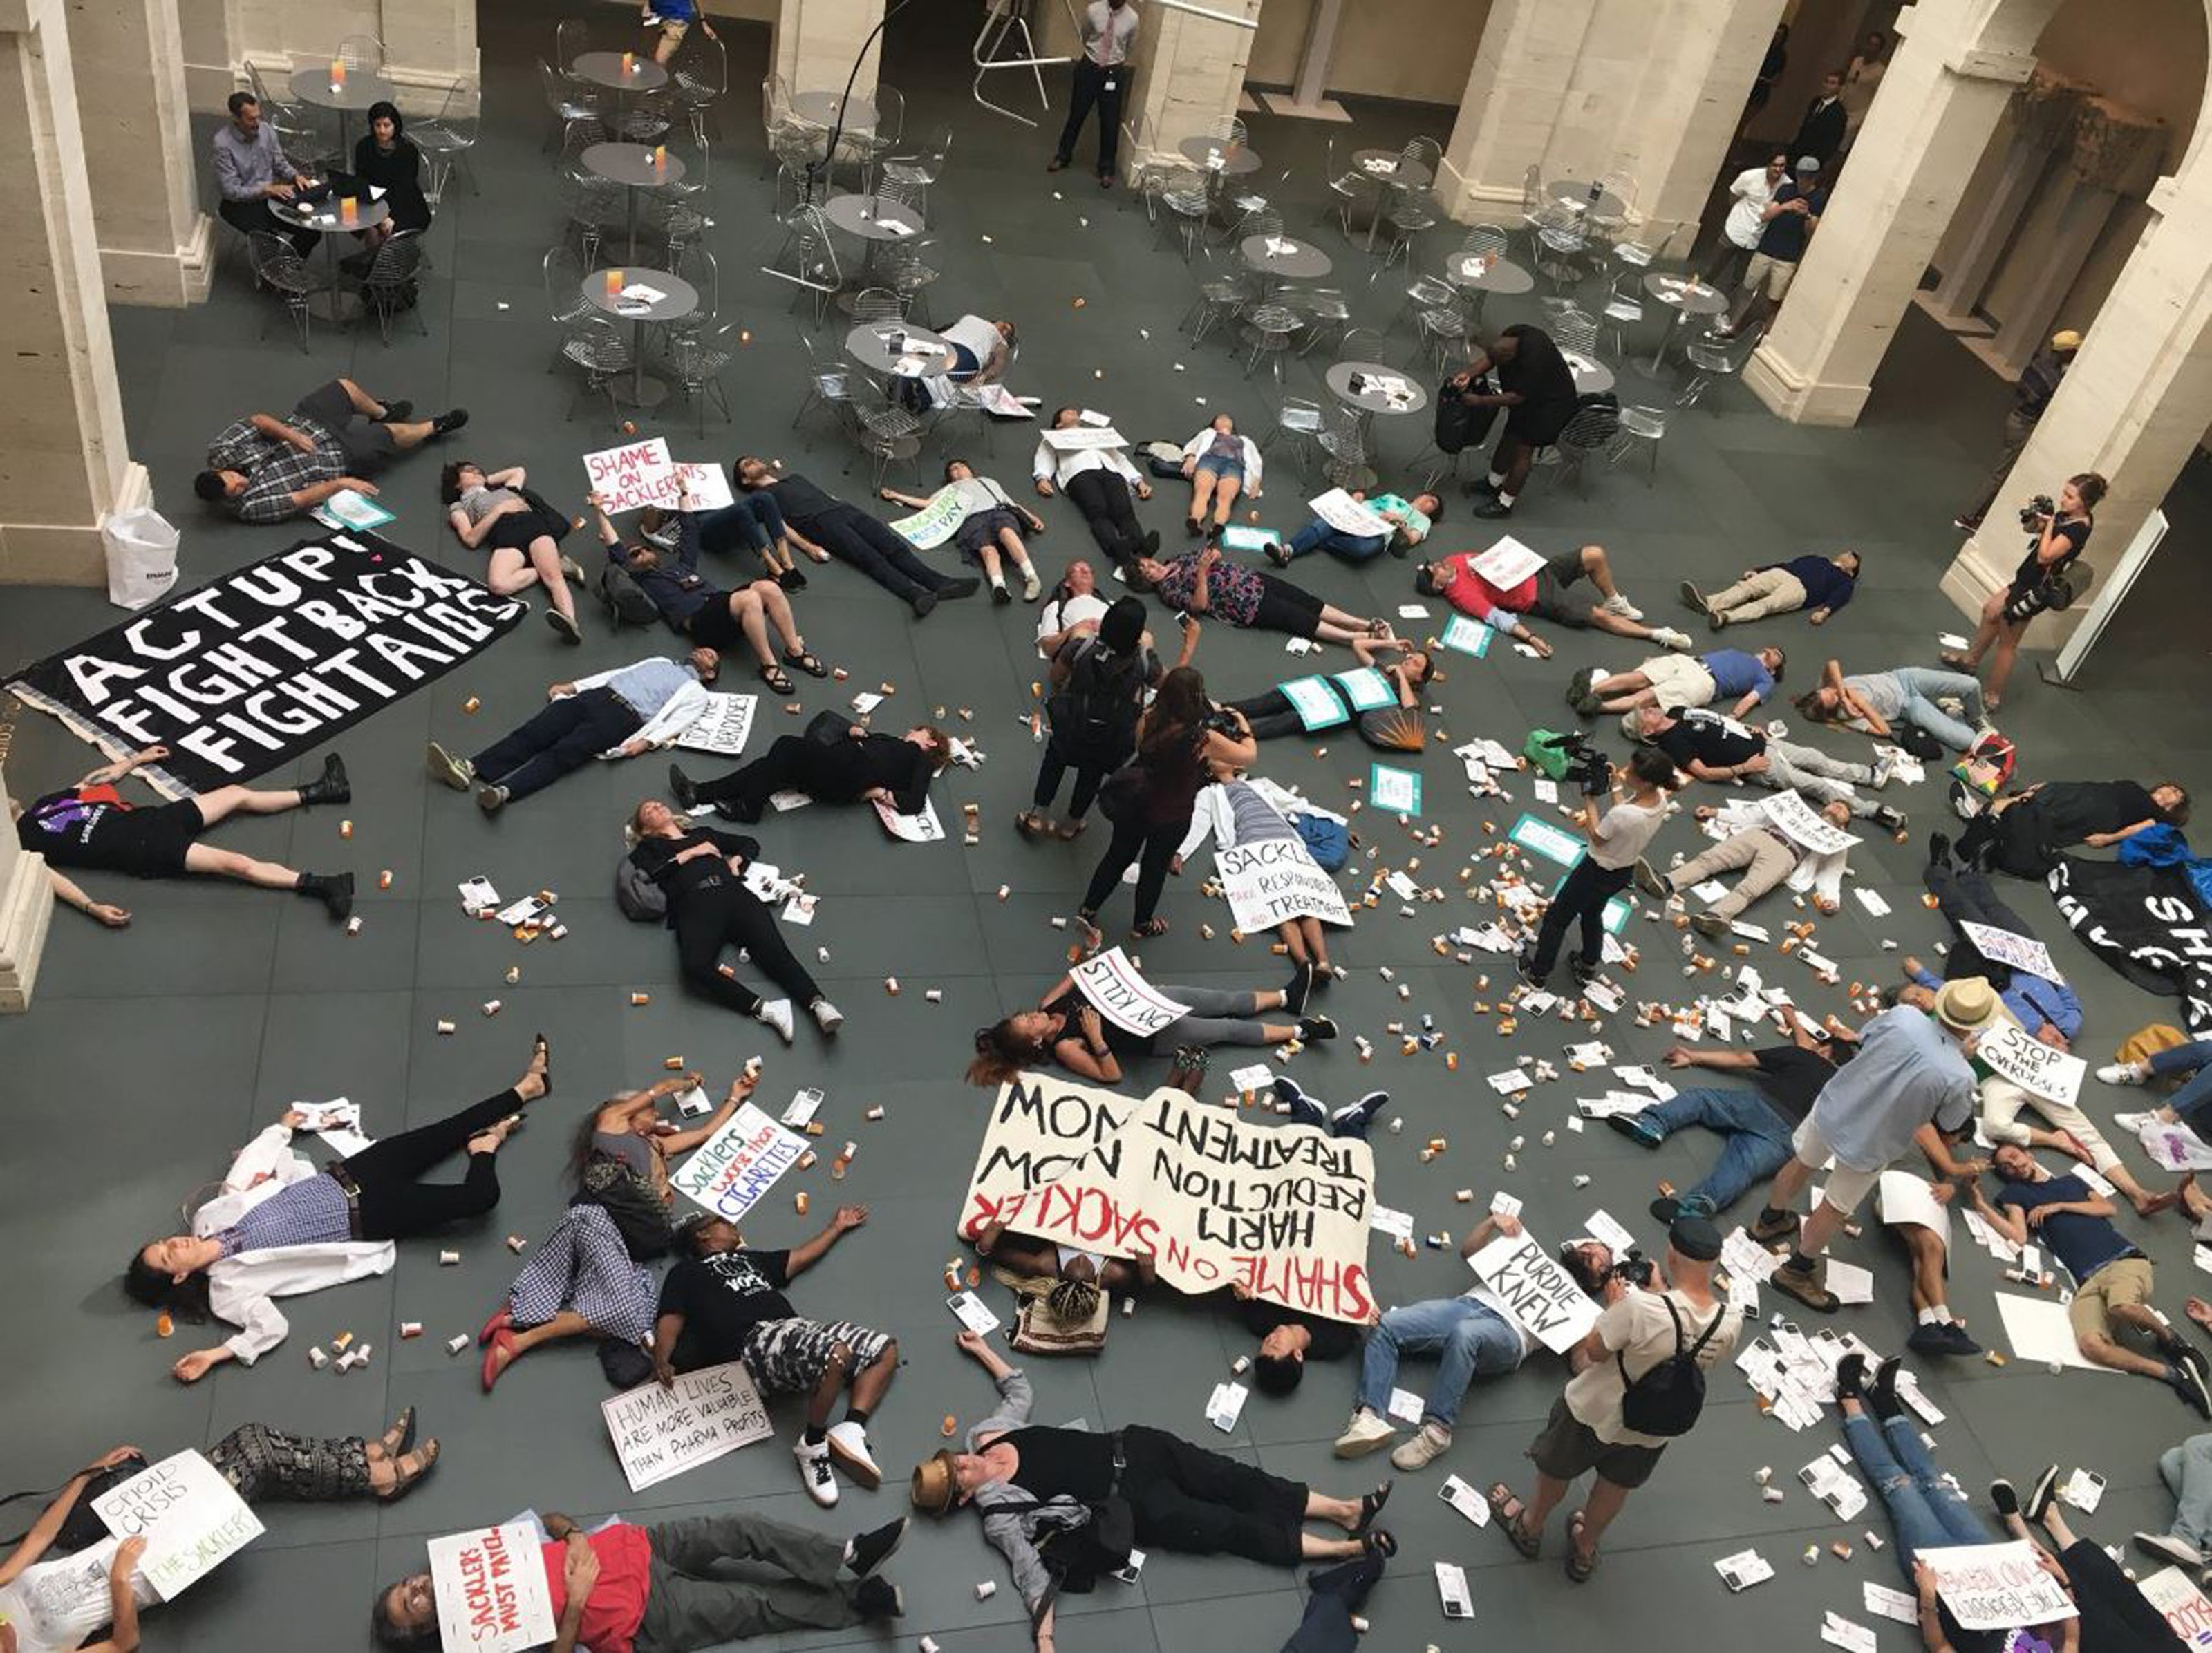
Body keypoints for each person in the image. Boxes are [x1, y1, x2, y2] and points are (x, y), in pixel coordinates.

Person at [912, 1329, 1396, 1653]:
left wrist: (983, 1351)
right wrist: (1046, 1642)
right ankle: (1342, 1548)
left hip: (1139, 1445)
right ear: (963, 1497)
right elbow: (1029, 1571)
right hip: (1139, 1505)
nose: (965, 1460)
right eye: (961, 1474)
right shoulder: (998, 1511)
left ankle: (1345, 1509)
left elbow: (1019, 1392)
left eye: (955, 1459)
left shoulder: (985, 1435)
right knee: (1228, 1527)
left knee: (1238, 1479)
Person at [124, 1037, 550, 1381]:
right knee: (478, 1200)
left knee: (446, 1131)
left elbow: (244, 1172)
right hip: (372, 1213)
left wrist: (280, 1131)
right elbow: (272, 1329)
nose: (174, 1243)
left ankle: (526, 1088)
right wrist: (217, 1355)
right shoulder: (227, 1292)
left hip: (351, 1173)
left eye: (164, 1242)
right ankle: (485, 1149)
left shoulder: (208, 1219)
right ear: (178, 1276)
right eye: (168, 1255)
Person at [1, 1424, 440, 1653]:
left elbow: (40, 1538)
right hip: (158, 1563)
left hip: (140, 1518)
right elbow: (123, 1644)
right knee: (260, 1456)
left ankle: (366, 1462)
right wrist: (119, 1579)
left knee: (252, 1442)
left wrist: (87, 1474)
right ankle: (376, 1471)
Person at [1488, 1216, 1741, 1583]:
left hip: (1595, 1411)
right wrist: (1658, 1297)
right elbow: (1686, 1348)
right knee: (1615, 1487)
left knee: (1556, 1469)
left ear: (1671, 1255)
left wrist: (1616, 1306)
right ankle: (1585, 1549)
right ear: (1714, 1262)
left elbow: (1595, 1351)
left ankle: (1530, 1526)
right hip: (1652, 1426)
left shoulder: (1639, 1309)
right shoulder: (1729, 1321)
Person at [478, 1071, 749, 1392]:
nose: (658, 1113)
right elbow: (658, 1090)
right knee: (623, 1309)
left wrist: (735, 1096)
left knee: (638, 1316)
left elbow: (706, 1133)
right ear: (630, 1112)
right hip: (596, 1220)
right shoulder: (611, 1127)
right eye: (650, 1111)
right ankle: (518, 1340)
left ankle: (514, 1321)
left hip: (620, 1238)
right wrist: (681, 1085)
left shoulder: (657, 1145)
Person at [373, 1508, 909, 1650]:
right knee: (752, 1605)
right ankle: (857, 1603)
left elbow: (553, 1519)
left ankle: (849, 1554)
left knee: (743, 1529)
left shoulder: (475, 1557)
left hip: (640, 1544)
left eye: (407, 1586)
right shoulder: (482, 1646)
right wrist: (577, 1604)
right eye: (411, 1605)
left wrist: (575, 1535)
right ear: (425, 1633)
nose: (417, 1590)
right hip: (647, 1615)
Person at [1750, 989, 1985, 1312]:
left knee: (1801, 1163)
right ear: (1975, 1027)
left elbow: (1865, 1038)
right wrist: (1961, 1059)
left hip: (1836, 1104)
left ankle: (1769, 1219)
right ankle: (1796, 1271)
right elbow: (1950, 1122)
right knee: (1835, 1207)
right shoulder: (1961, 1075)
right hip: (1873, 1140)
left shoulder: (1904, 1016)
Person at [653, 1207, 898, 1506]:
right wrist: (662, 1358)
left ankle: (851, 1428)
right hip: (751, 1344)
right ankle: (813, 1444)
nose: (734, 1227)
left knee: (883, 1350)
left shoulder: (748, 1259)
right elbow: (671, 1318)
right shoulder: (687, 1273)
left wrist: (837, 1227)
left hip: (797, 1330)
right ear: (703, 1234)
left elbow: (799, 1257)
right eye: (725, 1224)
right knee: (835, 1355)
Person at [1335, 1210, 1613, 1473]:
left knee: (1466, 1334)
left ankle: (1437, 1431)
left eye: (1601, 1259)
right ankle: (1369, 1416)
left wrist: (1613, 1320)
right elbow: (1469, 1251)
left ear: (1601, 1281)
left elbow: (1581, 1364)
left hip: (1509, 1335)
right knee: (1386, 1325)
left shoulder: (1583, 1311)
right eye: (1589, 1248)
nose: (1592, 1252)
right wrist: (1492, 1223)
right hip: (1469, 1305)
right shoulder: (1533, 1258)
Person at [1976, 1145, 2212, 1415]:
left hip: (2123, 1260)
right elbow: (2018, 1235)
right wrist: (1981, 1205)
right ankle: (2173, 1376)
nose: (2014, 1166)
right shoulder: (2016, 1194)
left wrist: (2059, 1206)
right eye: (2006, 1166)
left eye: (2015, 1157)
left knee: (2121, 1306)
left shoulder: (2071, 1181)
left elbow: (2107, 1208)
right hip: (2087, 1281)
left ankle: (2171, 1339)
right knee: (2091, 1345)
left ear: (2029, 1155)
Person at [15, 744, 355, 923]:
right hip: (144, 848)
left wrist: (136, 760)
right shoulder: (21, 842)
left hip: (153, 820)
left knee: (235, 793)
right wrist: (91, 907)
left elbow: (92, 782)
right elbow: (46, 876)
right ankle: (321, 885)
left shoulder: (44, 805)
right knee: (235, 863)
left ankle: (324, 790)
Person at [624, 800, 844, 1041]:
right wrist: (691, 853)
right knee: (694, 966)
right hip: (695, 904)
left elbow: (748, 843)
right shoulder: (650, 848)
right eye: (649, 811)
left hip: (734, 894)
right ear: (645, 830)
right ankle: (766, 1010)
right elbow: (653, 873)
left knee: (775, 952)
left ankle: (818, 1004)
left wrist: (738, 860)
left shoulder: (703, 833)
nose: (657, 807)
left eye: (657, 804)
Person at [1074, 663, 1253, 941]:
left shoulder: (1147, 717)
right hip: (1172, 812)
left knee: (1117, 856)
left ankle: (1088, 908)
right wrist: (1243, 725)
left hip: (1136, 802)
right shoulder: (1202, 738)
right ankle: (1142, 923)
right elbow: (1246, 756)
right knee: (1154, 867)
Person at [1616, 1013, 1843, 1222]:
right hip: (1791, 1137)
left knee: (1701, 1100)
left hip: (1762, 1105)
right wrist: (1793, 1020)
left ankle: (1653, 1124)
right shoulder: (1846, 1088)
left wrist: (1694, 1056)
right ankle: (1701, 1203)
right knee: (1743, 1167)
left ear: (1823, 1051)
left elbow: (1743, 1059)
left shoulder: (1805, 1056)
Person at [590, 488, 825, 690]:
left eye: (644, 549)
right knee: (751, 598)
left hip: (723, 605)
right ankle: (769, 665)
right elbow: (616, 548)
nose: (641, 553)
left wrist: (683, 493)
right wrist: (600, 511)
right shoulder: (641, 580)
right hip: (701, 622)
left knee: (769, 587)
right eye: (635, 554)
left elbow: (690, 529)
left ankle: (795, 652)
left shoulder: (681, 567)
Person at [426, 650, 717, 812]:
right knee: (534, 732)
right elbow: (616, 673)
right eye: (703, 648)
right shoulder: (661, 660)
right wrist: (574, 686)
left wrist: (646, 742)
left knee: (562, 755)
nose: (704, 650)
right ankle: (470, 768)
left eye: (711, 657)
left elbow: (677, 723)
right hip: (598, 696)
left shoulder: (696, 693)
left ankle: (504, 792)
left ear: (710, 673)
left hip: (624, 718)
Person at [966, 970, 1336, 1086]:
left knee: (1222, 1000)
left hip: (1153, 998)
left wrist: (1092, 952)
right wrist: (1095, 1038)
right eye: (1028, 1021)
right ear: (1034, 1039)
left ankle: (1287, 998)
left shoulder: (1048, 1004)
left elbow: (1077, 973)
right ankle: (1301, 1031)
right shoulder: (1064, 1047)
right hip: (1156, 1034)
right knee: (1224, 1028)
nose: (1032, 1015)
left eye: (1024, 1014)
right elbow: (1110, 1075)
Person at [1175, 771, 1350, 1002]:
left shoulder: (1260, 784)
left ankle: (1323, 962)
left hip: (1286, 844)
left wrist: (1337, 825)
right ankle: (1304, 964)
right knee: (1281, 908)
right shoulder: (1209, 793)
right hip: (1253, 851)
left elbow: (1296, 804)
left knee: (1306, 900)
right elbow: (1198, 824)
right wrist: (1179, 852)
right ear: (1209, 771)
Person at [1518, 748, 1680, 992]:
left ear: (1645, 781)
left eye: (1632, 771)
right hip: (1622, 872)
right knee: (1593, 914)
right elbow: (1624, 815)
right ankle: (1587, 964)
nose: (1626, 771)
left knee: (1556, 918)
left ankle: (1538, 974)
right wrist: (1616, 786)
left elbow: (1597, 836)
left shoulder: (1624, 816)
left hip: (1595, 871)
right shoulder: (1659, 800)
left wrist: (1588, 799)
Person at [195, 377, 465, 523]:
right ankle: (434, 428)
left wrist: (291, 435)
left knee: (345, 388)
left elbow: (257, 421)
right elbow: (301, 499)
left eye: (234, 478)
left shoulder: (222, 451)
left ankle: (383, 412)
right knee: (395, 434)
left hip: (305, 424)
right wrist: (342, 483)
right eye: (237, 489)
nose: (241, 482)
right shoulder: (249, 507)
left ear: (220, 470)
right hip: (335, 458)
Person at [733, 457, 980, 615]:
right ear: (746, 479)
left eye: (753, 459)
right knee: (870, 559)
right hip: (821, 524)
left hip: (843, 510)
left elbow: (821, 493)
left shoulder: (794, 477)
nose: (753, 462)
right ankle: (915, 594)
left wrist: (838, 502)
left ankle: (940, 582)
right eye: (747, 466)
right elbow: (781, 527)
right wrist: (808, 547)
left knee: (893, 546)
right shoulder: (761, 499)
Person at [1944, 471, 2107, 709]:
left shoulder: (2079, 528)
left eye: (2070, 497)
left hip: (2034, 589)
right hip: (2025, 579)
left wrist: (2050, 524)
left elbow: (2045, 555)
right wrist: (2039, 522)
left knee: (2007, 642)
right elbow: (2038, 535)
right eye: (2065, 493)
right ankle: (1970, 661)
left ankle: (1992, 696)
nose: (2064, 499)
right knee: (1991, 611)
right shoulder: (2066, 515)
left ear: (2085, 502)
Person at [1024, 594, 1177, 840]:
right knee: (1092, 773)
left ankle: (1038, 814)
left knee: (1054, 761)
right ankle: (1071, 824)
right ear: (1136, 634)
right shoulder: (1144, 662)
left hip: (1073, 723)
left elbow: (1056, 677)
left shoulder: (1081, 648)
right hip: (1113, 733)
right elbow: (1169, 684)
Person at [1625, 703, 1904, 826]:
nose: (1650, 709)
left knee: (1817, 759)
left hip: (1762, 741)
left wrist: (1746, 727)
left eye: (1647, 707)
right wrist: (1745, 769)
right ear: (1648, 733)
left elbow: (1715, 720)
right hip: (1759, 764)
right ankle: (1871, 811)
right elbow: (1703, 773)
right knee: (1816, 786)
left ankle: (1871, 776)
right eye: (1644, 715)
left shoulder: (1677, 711)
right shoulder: (1672, 743)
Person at [1639, 791, 1854, 936]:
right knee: (1711, 859)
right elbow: (1755, 816)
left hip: (1786, 855)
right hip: (1762, 835)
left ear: (1846, 824)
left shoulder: (1837, 842)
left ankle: (1716, 915)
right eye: (1835, 804)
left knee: (1751, 888)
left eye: (1843, 810)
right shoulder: (1800, 812)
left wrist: (1831, 899)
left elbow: (1832, 873)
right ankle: (1666, 882)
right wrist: (1717, 812)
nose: (1836, 808)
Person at [1416, 542, 1687, 653]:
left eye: (1435, 563)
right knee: (1598, 616)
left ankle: (1614, 598)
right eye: (1435, 570)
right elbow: (1498, 619)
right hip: (1539, 596)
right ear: (1439, 587)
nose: (1440, 564)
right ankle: (1656, 635)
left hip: (1536, 570)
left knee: (1594, 554)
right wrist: (1531, 638)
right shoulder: (1462, 596)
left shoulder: (1452, 560)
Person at [669, 724, 950, 825]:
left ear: (931, 741)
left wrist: (880, 793)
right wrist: (855, 733)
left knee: (786, 745)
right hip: (838, 764)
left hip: (848, 775)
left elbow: (914, 803)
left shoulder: (920, 759)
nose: (911, 731)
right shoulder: (895, 743)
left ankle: (750, 808)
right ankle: (698, 793)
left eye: (918, 730)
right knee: (767, 766)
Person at [440, 461, 586, 642]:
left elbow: (518, 471)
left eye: (478, 469)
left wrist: (484, 480)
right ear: (457, 483)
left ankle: (571, 623)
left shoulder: (505, 490)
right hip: (504, 534)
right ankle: (560, 565)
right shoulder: (459, 507)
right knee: (498, 585)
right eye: (468, 471)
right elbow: (471, 539)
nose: (476, 471)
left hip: (531, 524)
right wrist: (500, 510)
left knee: (553, 578)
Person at [1133, 545, 1385, 646]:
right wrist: (1201, 572)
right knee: (1298, 618)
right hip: (1244, 603)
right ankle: (1354, 637)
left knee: (1306, 601)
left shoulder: (1176, 559)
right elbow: (1199, 604)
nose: (1151, 568)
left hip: (1252, 579)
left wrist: (1213, 556)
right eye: (1146, 572)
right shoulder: (1168, 590)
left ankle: (1360, 622)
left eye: (1148, 563)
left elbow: (1211, 553)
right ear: (1148, 582)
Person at [1956, 332, 2081, 532]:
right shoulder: (2054, 378)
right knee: (2000, 474)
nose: (2076, 355)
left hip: (2015, 418)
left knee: (2002, 472)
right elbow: (2045, 404)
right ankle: (1969, 517)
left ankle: (1976, 514)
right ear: (2066, 352)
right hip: (2025, 425)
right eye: (2074, 351)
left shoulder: (2038, 365)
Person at [1453, 326, 1581, 520]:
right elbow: (1490, 359)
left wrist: (1479, 401)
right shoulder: (1515, 334)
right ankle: (1493, 483)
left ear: (1511, 356)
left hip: (1550, 406)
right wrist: (1469, 374)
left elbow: (1516, 397)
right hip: (1530, 399)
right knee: (1509, 436)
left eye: (1502, 363)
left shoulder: (1534, 361)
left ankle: (1505, 503)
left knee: (1523, 449)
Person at [880, 459, 1046, 603]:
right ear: (950, 476)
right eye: (953, 469)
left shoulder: (987, 481)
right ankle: (999, 586)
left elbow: (1010, 503)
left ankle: (1031, 577)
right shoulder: (950, 489)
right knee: (988, 551)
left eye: (961, 466)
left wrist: (1031, 517)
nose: (958, 470)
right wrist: (897, 496)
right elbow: (928, 504)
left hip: (996, 512)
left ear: (970, 470)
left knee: (1007, 533)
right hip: (972, 520)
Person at [1957, 775, 2190, 878]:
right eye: (2173, 787)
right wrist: (2047, 786)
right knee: (2039, 795)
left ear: (2174, 807)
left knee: (2047, 812)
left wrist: (2109, 838)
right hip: (2089, 792)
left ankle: (1984, 816)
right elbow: (2101, 786)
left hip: (2103, 813)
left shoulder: (2157, 815)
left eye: (2177, 795)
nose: (2171, 791)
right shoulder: (2135, 788)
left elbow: (2140, 828)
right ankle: (1983, 812)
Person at [1223, 635, 1435, 740]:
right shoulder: (1380, 670)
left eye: (1415, 664)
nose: (1408, 660)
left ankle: (1236, 736)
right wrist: (1391, 644)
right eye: (1410, 657)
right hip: (1326, 687)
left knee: (1291, 719)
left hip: (1335, 710)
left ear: (1419, 679)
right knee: (1276, 698)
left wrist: (1399, 674)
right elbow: (1358, 645)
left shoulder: (1401, 694)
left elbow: (1411, 708)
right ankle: (1223, 710)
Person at [1031, 406, 1159, 569]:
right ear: (1058, 424)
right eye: (1068, 412)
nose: (1073, 412)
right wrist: (1042, 477)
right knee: (1098, 511)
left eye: (1075, 411)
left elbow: (1119, 458)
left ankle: (1141, 546)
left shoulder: (1096, 435)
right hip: (1080, 473)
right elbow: (1045, 456)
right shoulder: (1053, 437)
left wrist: (1137, 480)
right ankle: (1115, 548)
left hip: (1110, 471)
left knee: (1124, 511)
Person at [1714, 155, 1825, 340]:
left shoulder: (1819, 197)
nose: (1805, 179)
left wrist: (1806, 215)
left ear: (1815, 177)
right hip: (1766, 248)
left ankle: (1764, 336)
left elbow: (1813, 231)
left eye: (1809, 176)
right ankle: (1733, 326)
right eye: (1802, 175)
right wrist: (1785, 207)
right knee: (1747, 287)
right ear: (1798, 174)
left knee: (1774, 299)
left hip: (1788, 256)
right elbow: (1765, 216)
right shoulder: (1786, 189)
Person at [1797, 659, 1991, 753]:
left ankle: (1975, 718)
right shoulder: (1846, 717)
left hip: (1904, 678)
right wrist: (1861, 704)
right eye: (1833, 697)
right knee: (1967, 742)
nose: (1833, 692)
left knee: (1971, 685)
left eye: (1828, 691)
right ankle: (1954, 712)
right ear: (1832, 709)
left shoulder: (1829, 687)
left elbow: (1832, 664)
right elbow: (1884, 730)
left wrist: (1843, 694)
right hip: (1908, 706)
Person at [212, 91, 319, 255]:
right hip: (238, 204)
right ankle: (273, 273)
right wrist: (265, 189)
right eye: (251, 119)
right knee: (269, 241)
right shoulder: (222, 144)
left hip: (268, 196)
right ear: (236, 119)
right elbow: (230, 190)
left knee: (311, 230)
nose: (257, 123)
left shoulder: (267, 131)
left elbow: (280, 163)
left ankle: (284, 269)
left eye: (258, 117)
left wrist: (295, 176)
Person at [1049, 0, 1138, 188]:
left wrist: (1113, 60)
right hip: (1089, 66)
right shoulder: (1093, 10)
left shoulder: (1133, 19)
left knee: (1110, 122)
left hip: (1113, 71)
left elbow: (1130, 46)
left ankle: (1106, 169)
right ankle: (1063, 156)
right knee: (1076, 114)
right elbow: (1085, 35)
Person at [1568, 644, 1785, 719]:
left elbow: (1751, 698)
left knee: (1650, 696)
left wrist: (1734, 716)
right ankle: (1590, 689)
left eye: (1779, 655)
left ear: (1774, 670)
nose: (1775, 651)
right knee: (1640, 678)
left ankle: (1599, 706)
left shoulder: (1766, 679)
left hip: (1705, 682)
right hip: (1690, 661)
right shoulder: (1743, 655)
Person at [1681, 550, 1861, 630]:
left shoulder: (1845, 581)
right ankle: (1708, 603)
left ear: (1853, 571)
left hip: (1801, 590)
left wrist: (1824, 612)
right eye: (1848, 552)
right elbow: (1788, 563)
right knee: (1746, 587)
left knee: (1767, 605)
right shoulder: (1818, 559)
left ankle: (1726, 617)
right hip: (1783, 573)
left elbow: (1840, 597)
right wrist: (1759, 570)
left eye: (1853, 557)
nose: (1848, 554)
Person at [1270, 489, 1436, 565]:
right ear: (1421, 494)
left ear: (1432, 512)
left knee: (1363, 550)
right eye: (1428, 496)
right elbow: (1368, 501)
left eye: (1433, 503)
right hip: (1356, 516)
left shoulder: (1423, 519)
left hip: (1377, 532)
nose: (1428, 500)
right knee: (1326, 523)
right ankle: (1287, 550)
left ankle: (1318, 541)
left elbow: (1412, 539)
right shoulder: (1394, 496)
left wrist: (1400, 522)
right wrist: (1357, 498)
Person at [347, 100, 431, 253]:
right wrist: (375, 215)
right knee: (368, 228)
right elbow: (362, 179)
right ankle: (377, 261)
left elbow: (406, 187)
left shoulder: (407, 151)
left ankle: (386, 262)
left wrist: (390, 216)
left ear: (395, 126)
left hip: (403, 202)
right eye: (377, 125)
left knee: (389, 231)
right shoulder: (364, 146)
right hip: (373, 198)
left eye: (387, 125)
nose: (382, 130)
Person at [694, 484, 809, 588]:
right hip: (703, 525)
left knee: (765, 498)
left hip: (720, 509)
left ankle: (786, 561)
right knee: (741, 510)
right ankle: (771, 564)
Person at [1706, 152, 1787, 294]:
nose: (1778, 169)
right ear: (1768, 165)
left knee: (1738, 278)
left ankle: (1723, 309)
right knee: (1713, 268)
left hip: (1756, 239)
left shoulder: (1787, 185)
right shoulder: (1749, 177)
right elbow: (1733, 196)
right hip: (1735, 230)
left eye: (1782, 166)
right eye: (1775, 165)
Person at [1177, 413, 1264, 537]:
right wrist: (1190, 458)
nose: (1224, 419)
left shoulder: (1245, 441)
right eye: (1221, 418)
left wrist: (1256, 481)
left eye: (1227, 418)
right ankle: (1195, 521)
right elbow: (1192, 446)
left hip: (1234, 466)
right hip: (1209, 460)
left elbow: (1256, 461)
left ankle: (1218, 525)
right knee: (1202, 491)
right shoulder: (1208, 433)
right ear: (1214, 424)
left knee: (1226, 498)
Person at [1035, 558, 1109, 657]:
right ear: (1068, 583)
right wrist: (1075, 629)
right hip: (1084, 654)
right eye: (1078, 570)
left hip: (1116, 648)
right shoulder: (1056, 607)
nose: (1085, 571)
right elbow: (1047, 648)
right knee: (1080, 634)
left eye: (1089, 570)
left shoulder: (1110, 605)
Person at [1790, 72, 1847, 169]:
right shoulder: (1816, 102)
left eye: (1833, 83)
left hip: (1814, 157)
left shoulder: (1839, 113)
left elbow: (1832, 141)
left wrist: (1818, 160)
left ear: (1840, 87)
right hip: (1798, 150)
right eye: (1827, 82)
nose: (1828, 86)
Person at [1839, 31, 1888, 140]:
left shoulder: (1880, 71)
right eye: (1869, 44)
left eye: (1875, 46)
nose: (1871, 48)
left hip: (1858, 115)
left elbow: (1877, 98)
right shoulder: (1857, 61)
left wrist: (1865, 120)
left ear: (1879, 50)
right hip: (1843, 107)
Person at [643, 0, 716, 64]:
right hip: (658, 17)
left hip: (677, 19)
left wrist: (703, 22)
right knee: (652, 58)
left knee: (659, 61)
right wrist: (647, 5)